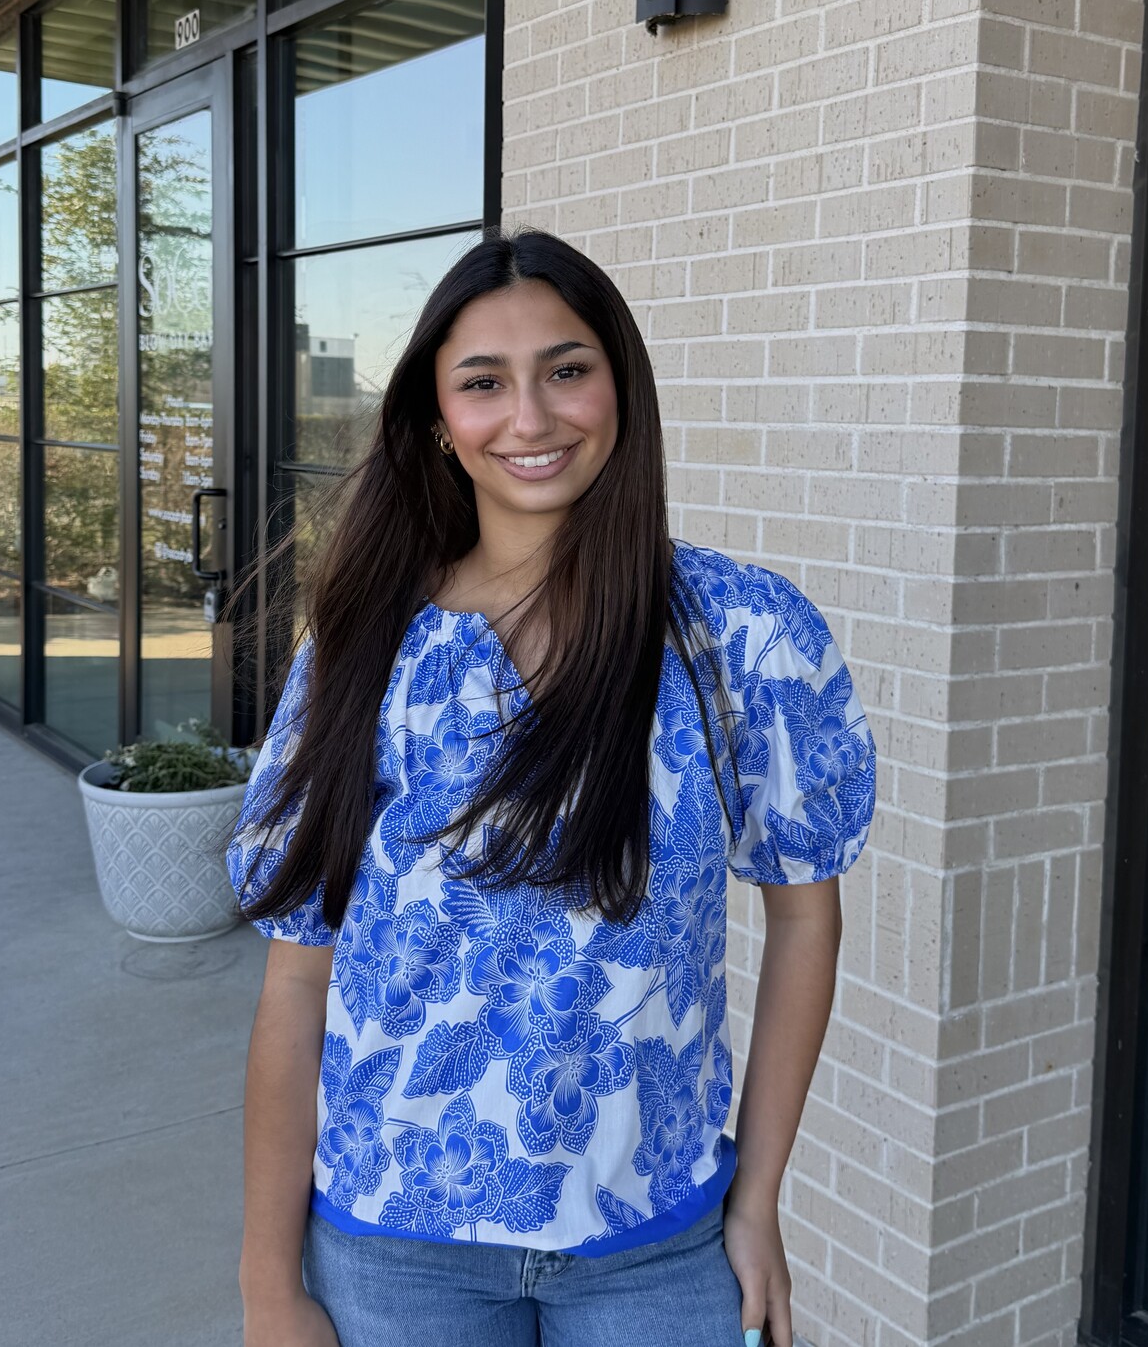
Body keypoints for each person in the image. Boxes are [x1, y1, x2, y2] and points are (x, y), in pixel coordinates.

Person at [228, 231, 875, 1347]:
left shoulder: (738, 631)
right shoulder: (364, 645)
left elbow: (804, 915)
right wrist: (265, 1283)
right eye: (482, 382)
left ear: (619, 382)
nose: (528, 417)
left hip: (656, 1246)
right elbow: (298, 980)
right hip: (392, 1247)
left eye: (566, 369)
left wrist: (758, 1199)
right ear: (437, 419)